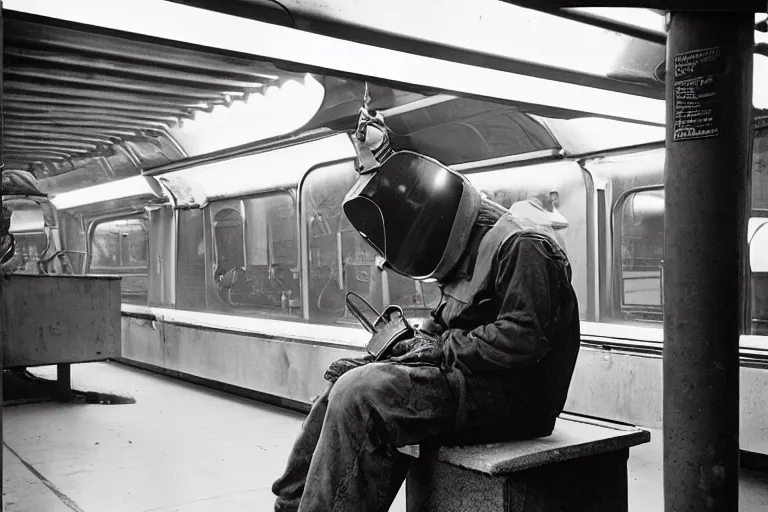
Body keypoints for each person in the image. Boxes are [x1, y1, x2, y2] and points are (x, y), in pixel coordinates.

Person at [272, 113, 581, 512]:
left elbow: (523, 337)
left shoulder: (524, 247)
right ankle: (291, 505)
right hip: (474, 382)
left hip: (518, 399)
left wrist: (441, 349)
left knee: (363, 394)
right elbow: (450, 322)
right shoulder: (469, 252)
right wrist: (412, 343)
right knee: (345, 377)